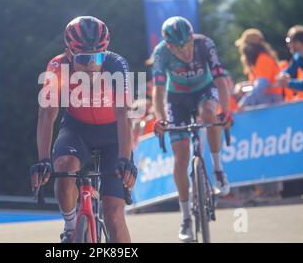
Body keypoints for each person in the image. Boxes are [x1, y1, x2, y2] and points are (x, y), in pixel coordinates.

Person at [30, 16, 137, 243]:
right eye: (83, 57)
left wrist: (125, 158)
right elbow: (47, 113)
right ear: (69, 52)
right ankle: (70, 227)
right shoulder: (58, 66)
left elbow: (123, 115)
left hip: (113, 135)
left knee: (114, 215)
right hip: (77, 130)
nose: (91, 65)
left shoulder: (116, 64)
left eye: (97, 57)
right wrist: (43, 160)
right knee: (63, 167)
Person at [152, 16, 232, 242]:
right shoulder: (161, 53)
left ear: (192, 38)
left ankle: (217, 169)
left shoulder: (204, 44)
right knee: (181, 156)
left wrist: (225, 112)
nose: (186, 51)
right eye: (179, 47)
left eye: (188, 44)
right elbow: (158, 92)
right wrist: (160, 119)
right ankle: (186, 217)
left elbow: (221, 81)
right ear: (169, 46)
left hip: (203, 91)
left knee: (210, 114)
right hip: (176, 99)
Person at [237, 42, 283, 108]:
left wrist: (243, 104)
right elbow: (257, 83)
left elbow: (261, 85)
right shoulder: (258, 61)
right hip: (269, 101)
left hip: (271, 102)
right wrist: (242, 86)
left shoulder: (263, 59)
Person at [277, 26, 303, 93]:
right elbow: (289, 71)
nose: (288, 45)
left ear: (298, 42)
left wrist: (289, 83)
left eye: (289, 41)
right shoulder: (298, 56)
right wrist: (282, 75)